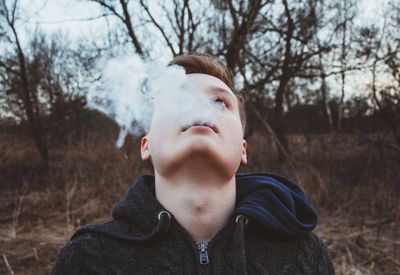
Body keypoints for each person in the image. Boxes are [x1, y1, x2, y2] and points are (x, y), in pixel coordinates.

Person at [51, 54, 335, 274]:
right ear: (146, 145)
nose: (201, 109)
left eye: (220, 102)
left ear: (243, 150)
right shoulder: (89, 259)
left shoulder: (304, 257)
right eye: (181, 97)